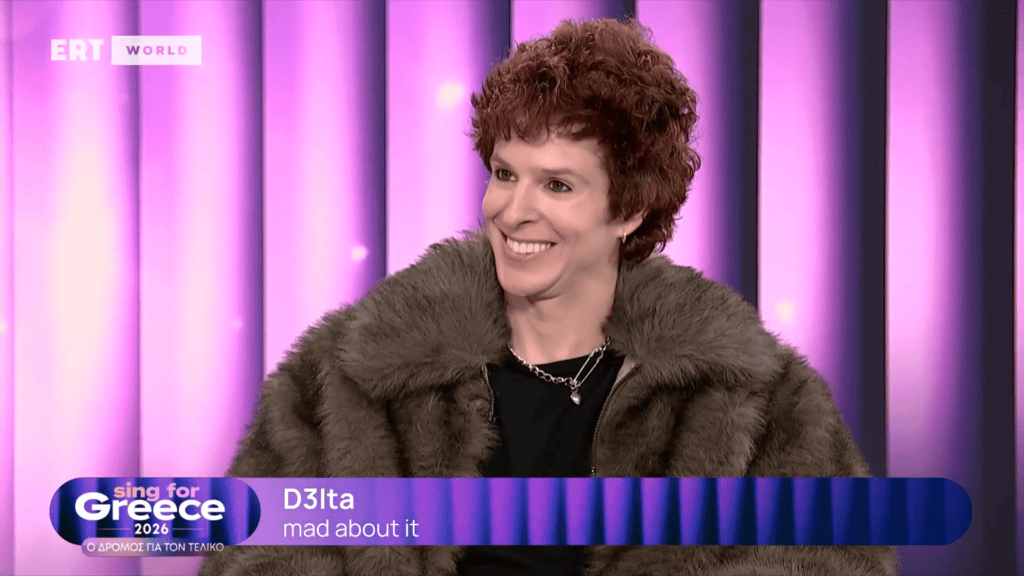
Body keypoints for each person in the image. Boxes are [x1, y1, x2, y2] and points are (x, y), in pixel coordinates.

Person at [199, 18, 897, 576]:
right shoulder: (351, 373)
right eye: (505, 174)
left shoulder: (751, 393)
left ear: (629, 211)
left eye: (557, 185)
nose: (512, 211)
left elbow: (840, 560)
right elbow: (250, 549)